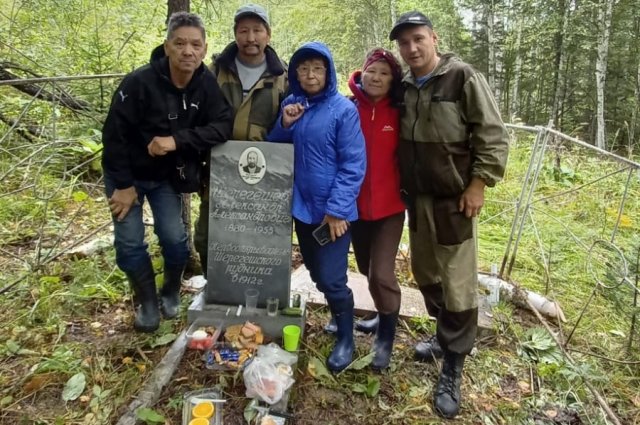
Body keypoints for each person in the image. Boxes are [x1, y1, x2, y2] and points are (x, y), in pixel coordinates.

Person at [390, 11, 509, 418]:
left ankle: (454, 362)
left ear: (434, 38)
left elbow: (491, 133)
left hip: (454, 199)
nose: (412, 48)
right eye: (404, 43)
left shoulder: (462, 77)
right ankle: (446, 336)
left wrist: (478, 184)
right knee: (425, 273)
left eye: (418, 39)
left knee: (457, 282)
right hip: (417, 198)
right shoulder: (405, 85)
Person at [102, 12, 232, 333]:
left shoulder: (206, 84)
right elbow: (113, 135)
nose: (188, 51)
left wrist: (176, 140)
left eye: (195, 44)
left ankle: (170, 290)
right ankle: (147, 302)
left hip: (164, 178)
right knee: (130, 242)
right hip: (126, 175)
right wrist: (123, 185)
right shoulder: (139, 82)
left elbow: (222, 126)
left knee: (175, 241)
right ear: (167, 46)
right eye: (180, 43)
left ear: (203, 49)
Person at [268, 41, 366, 372]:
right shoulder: (293, 103)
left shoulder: (343, 110)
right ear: (295, 72)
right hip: (302, 207)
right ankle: (339, 318)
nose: (311, 75)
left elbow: (353, 164)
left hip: (333, 214)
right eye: (304, 68)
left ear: (329, 72)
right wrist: (284, 123)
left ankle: (346, 337)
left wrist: (338, 210)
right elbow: (274, 148)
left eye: (318, 68)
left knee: (332, 277)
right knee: (314, 270)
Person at [194, 3, 288, 276]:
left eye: (257, 30)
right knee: (210, 236)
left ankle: (256, 294)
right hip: (218, 170)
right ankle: (218, 291)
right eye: (244, 30)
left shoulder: (282, 75)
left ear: (268, 35)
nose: (251, 38)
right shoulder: (214, 71)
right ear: (235, 34)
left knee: (262, 239)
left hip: (267, 175)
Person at [345, 48, 406, 370]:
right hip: (355, 209)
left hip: (390, 208)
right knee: (368, 270)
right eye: (372, 71)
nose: (377, 78)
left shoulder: (400, 112)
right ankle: (378, 316)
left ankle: (385, 338)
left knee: (382, 273)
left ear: (392, 79)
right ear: (362, 72)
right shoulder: (348, 107)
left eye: (384, 73)